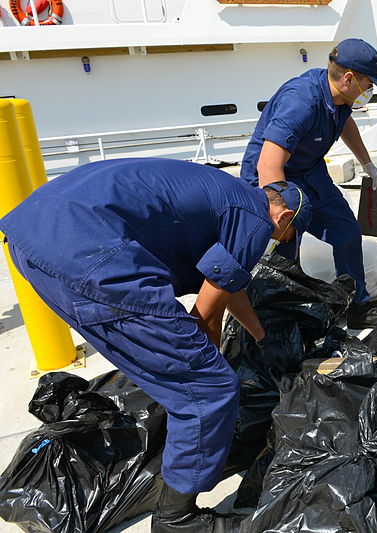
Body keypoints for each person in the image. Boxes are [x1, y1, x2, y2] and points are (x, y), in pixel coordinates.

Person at [0, 158, 312, 532]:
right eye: (284, 239)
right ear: (285, 217)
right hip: (92, 256)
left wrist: (261, 337)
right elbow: (205, 317)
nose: (275, 243)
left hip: (33, 240)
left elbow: (228, 285)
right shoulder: (258, 221)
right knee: (209, 389)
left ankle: (181, 436)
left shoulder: (227, 194)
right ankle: (176, 518)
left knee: (163, 365)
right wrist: (206, 367)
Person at [240, 38, 377, 328]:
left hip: (309, 171)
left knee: (346, 230)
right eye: (369, 83)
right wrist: (280, 214)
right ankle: (281, 317)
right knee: (286, 244)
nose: (370, 90)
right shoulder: (301, 101)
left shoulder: (341, 97)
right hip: (274, 175)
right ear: (349, 78)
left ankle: (357, 306)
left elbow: (345, 123)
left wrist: (367, 163)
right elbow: (268, 163)